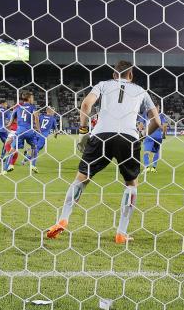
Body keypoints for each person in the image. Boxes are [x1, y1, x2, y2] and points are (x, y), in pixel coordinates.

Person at [46, 61, 162, 245]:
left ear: (114, 74)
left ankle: (63, 218)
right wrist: (140, 137)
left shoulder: (103, 85)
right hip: (128, 137)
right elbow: (156, 121)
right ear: (131, 75)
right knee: (131, 184)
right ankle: (121, 233)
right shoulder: (141, 90)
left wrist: (84, 132)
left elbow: (85, 105)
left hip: (101, 135)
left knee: (81, 179)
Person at [3, 92, 38, 175]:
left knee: (12, 150)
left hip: (19, 132)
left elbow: (11, 120)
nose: (33, 100)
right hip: (29, 131)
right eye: (32, 98)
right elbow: (36, 117)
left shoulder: (18, 107)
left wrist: (7, 126)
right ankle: (33, 165)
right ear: (29, 98)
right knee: (35, 147)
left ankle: (5, 169)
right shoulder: (32, 107)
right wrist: (38, 128)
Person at [30, 106, 59, 173]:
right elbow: (56, 130)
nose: (54, 112)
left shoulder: (41, 116)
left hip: (36, 133)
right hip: (43, 136)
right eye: (53, 111)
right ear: (49, 111)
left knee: (35, 149)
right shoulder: (53, 119)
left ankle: (26, 158)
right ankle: (33, 165)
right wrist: (56, 134)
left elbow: (35, 122)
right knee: (37, 150)